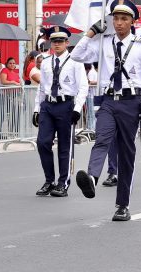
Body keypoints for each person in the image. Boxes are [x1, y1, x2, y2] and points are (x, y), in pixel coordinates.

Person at [71, 0, 141, 221]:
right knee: (102, 138)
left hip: (132, 102)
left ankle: (123, 204)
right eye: (116, 18)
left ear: (132, 21)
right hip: (109, 100)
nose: (119, 23)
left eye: (124, 19)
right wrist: (91, 32)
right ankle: (92, 178)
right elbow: (76, 55)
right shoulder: (104, 42)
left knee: (125, 153)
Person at [32, 26, 88, 197]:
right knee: (43, 142)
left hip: (66, 105)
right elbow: (42, 87)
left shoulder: (75, 61)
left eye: (60, 41)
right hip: (48, 105)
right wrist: (37, 108)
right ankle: (49, 180)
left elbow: (83, 87)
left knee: (65, 146)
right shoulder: (46, 62)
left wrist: (77, 109)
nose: (56, 44)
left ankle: (63, 182)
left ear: (67, 43)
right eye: (54, 41)